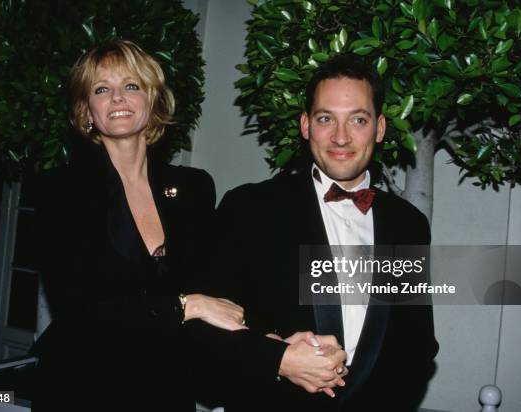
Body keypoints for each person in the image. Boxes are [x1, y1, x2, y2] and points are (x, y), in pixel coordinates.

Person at [212, 54, 439, 411]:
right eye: (325, 118)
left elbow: (418, 345)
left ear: (379, 129)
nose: (341, 136)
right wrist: (277, 359)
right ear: (305, 126)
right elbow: (209, 331)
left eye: (358, 120)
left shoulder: (408, 224)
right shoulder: (248, 209)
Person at [31, 39, 247, 411]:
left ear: (153, 101)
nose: (118, 98)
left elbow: (218, 287)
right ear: (86, 111)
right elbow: (80, 309)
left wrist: (275, 342)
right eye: (102, 89)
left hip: (168, 388)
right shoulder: (60, 191)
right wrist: (186, 305)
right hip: (83, 388)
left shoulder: (195, 188)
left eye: (131, 86)